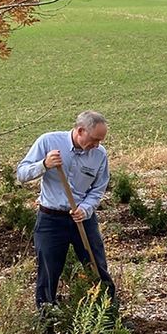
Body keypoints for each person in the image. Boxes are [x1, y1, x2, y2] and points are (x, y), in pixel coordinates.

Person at [16, 110, 117, 312]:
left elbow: (99, 188)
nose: (97, 145)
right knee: (48, 273)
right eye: (95, 139)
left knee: (97, 268)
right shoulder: (48, 142)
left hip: (83, 220)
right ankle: (46, 324)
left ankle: (108, 317)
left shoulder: (99, 154)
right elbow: (21, 174)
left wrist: (86, 209)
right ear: (80, 130)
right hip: (50, 220)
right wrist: (44, 164)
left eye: (101, 140)